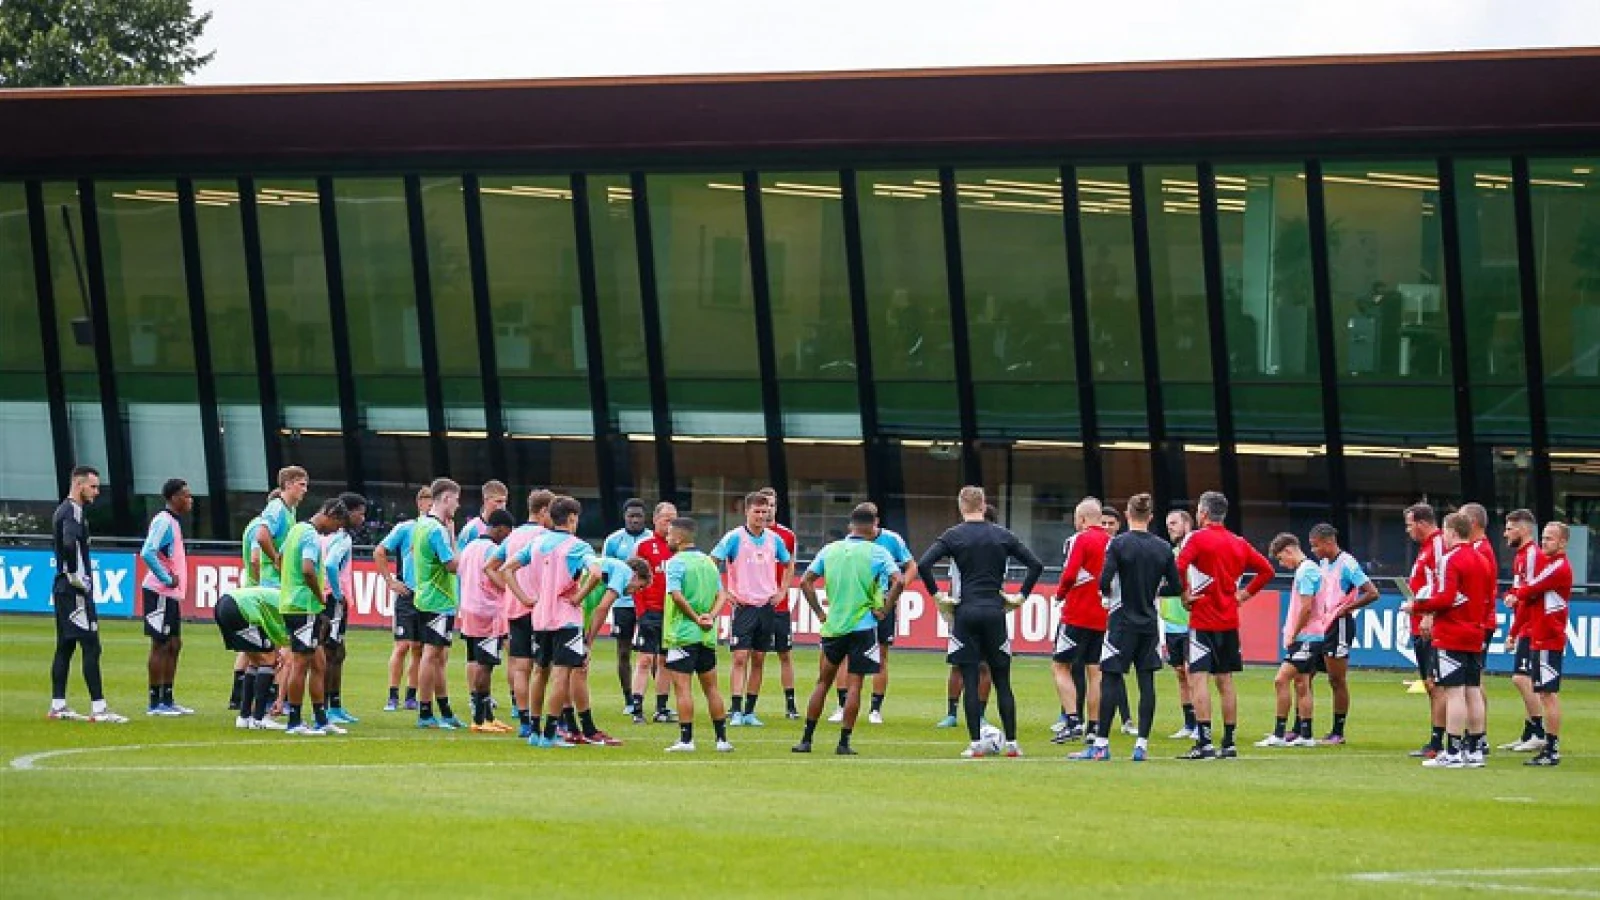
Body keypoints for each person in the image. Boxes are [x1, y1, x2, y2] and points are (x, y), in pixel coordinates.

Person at [918, 486, 1044, 759]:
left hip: (966, 611)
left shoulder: (953, 536)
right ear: (984, 505)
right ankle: (1012, 743)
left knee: (971, 677)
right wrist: (1021, 596)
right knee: (1002, 680)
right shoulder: (1001, 535)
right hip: (994, 610)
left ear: (961, 506)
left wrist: (938, 595)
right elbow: (1036, 564)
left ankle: (976, 744)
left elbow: (923, 564)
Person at [1070, 494, 1179, 761]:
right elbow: (1176, 586)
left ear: (1128, 516)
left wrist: (1107, 596)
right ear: (1150, 517)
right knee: (1146, 681)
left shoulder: (1118, 544)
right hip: (1149, 622)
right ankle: (1141, 744)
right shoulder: (1163, 548)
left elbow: (1104, 580)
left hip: (1121, 620)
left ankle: (1101, 745)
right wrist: (1154, 591)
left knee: (1111, 677)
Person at [794, 504, 904, 755]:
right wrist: (885, 609)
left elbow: (805, 581)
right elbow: (900, 580)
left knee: (823, 682)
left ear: (850, 526)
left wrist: (820, 613)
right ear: (873, 526)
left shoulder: (830, 550)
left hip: (835, 625)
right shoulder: (877, 552)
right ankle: (843, 743)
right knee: (855, 685)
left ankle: (806, 739)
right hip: (863, 626)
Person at [1175, 490, 1273, 760]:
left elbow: (1178, 566)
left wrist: (1184, 594)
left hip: (1202, 618)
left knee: (1198, 678)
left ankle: (1204, 742)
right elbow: (1267, 570)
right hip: (1228, 620)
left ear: (1203, 513)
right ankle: (1228, 743)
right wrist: (1244, 594)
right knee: (1226, 681)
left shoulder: (1197, 538)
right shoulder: (1238, 542)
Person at [501, 495, 600, 748]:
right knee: (561, 676)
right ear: (571, 519)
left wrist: (525, 598)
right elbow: (597, 573)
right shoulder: (578, 546)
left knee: (539, 672)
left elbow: (506, 570)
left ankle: (534, 731)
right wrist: (579, 596)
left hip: (540, 617)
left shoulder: (537, 544)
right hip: (566, 619)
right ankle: (550, 734)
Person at [1404, 512, 1495, 768]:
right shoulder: (1482, 559)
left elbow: (1445, 598)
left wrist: (1417, 606)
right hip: (1476, 630)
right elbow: (1488, 597)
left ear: (1453, 531)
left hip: (1452, 632)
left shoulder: (1450, 559)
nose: (1442, 536)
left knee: (1454, 692)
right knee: (1473, 690)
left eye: (1444, 532)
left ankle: (1453, 751)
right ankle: (1475, 750)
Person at [825, 501, 915, 725]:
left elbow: (911, 566)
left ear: (877, 522)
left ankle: (875, 709)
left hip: (881, 606)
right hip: (855, 606)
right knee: (845, 656)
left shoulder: (892, 540)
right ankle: (842, 704)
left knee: (881, 656)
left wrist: (895, 594)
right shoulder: (848, 544)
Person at [47, 465, 125, 723]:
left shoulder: (63, 509)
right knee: (92, 645)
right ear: (79, 485)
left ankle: (58, 705)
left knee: (65, 645)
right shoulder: (73, 511)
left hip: (62, 588)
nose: (96, 491)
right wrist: (76, 576)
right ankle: (99, 708)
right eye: (93, 486)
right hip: (73, 590)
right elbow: (69, 542)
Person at [713, 491, 794, 727]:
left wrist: (782, 591)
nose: (761, 515)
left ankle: (749, 711)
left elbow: (789, 564)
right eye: (756, 511)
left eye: (764, 511)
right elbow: (713, 562)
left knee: (759, 658)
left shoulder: (774, 539)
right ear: (746, 512)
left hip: (767, 606)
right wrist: (725, 592)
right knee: (740, 658)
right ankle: (736, 709)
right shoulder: (734, 538)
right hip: (744, 606)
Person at [660, 517, 735, 753]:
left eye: (670, 534)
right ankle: (722, 740)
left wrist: (694, 618)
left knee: (683, 688)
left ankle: (686, 740)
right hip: (706, 636)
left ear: (680, 537)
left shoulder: (675, 563)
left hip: (682, 634)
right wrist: (710, 618)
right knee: (712, 688)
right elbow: (722, 595)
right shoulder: (708, 563)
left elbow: (676, 595)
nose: (667, 538)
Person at [277, 497, 348, 736]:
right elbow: (308, 569)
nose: (334, 531)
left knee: (319, 662)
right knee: (301, 663)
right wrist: (319, 597)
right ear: (328, 514)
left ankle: (320, 718)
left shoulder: (296, 529)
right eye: (336, 524)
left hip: (296, 603)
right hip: (303, 607)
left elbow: (279, 558)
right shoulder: (309, 535)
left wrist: (288, 582)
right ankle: (295, 721)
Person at [486, 488, 554, 737]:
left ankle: (524, 719)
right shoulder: (547, 536)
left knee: (521, 666)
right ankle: (548, 719)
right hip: (540, 609)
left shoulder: (513, 537)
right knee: (547, 667)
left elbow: (490, 567)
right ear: (544, 511)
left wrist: (511, 590)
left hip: (515, 609)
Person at [567, 555, 652, 745]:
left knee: (565, 670)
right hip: (571, 615)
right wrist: (589, 642)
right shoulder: (622, 571)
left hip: (567, 612)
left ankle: (569, 726)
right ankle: (586, 729)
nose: (635, 592)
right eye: (640, 586)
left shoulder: (606, 565)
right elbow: (603, 608)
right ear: (635, 574)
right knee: (578, 670)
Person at [1508, 522, 1572, 767]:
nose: (1544, 542)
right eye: (1544, 538)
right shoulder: (1548, 565)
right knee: (1543, 692)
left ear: (1563, 542)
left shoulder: (1558, 567)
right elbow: (1531, 599)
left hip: (1549, 638)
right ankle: (1546, 743)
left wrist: (1516, 594)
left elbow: (1530, 588)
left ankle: (1551, 748)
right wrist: (1515, 631)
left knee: (1548, 695)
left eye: (1550, 539)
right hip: (1539, 637)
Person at [1308, 523, 1378, 744]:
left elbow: (1372, 592)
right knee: (1305, 674)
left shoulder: (1347, 563)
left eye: (1316, 545)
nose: (1314, 550)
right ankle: (1302, 728)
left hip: (1339, 626)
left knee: (1336, 679)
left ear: (1328, 542)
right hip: (1321, 625)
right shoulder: (1324, 563)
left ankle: (1338, 732)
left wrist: (1347, 609)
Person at [1051, 497, 1110, 745]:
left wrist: (1060, 594)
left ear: (1083, 519)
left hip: (1076, 613)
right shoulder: (1112, 542)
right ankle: (1094, 727)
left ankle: (1073, 721)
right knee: (1095, 671)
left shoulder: (1081, 539)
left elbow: (1070, 573)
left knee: (1060, 666)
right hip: (1102, 615)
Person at [1256, 533, 1324, 749]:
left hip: (1307, 637)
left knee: (1280, 680)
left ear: (1288, 551)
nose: (1282, 564)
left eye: (1280, 559)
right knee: (1302, 683)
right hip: (1310, 635)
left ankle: (1278, 733)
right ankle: (1306, 734)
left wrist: (1293, 633)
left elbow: (1306, 607)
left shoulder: (1306, 571)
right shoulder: (1309, 569)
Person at [936, 504, 996, 729]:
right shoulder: (959, 546)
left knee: (984, 666)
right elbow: (953, 580)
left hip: (987, 611)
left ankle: (979, 715)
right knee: (958, 663)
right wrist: (948, 608)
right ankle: (952, 713)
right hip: (962, 611)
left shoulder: (997, 547)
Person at [458, 508, 516, 734]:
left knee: (476, 660)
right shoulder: (493, 550)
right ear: (500, 529)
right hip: (489, 613)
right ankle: (480, 718)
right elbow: (500, 579)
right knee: (486, 665)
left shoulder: (470, 547)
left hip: (469, 610)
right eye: (507, 533)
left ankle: (487, 716)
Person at [412, 478, 464, 730]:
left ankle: (444, 710)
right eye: (456, 499)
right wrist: (455, 541)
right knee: (431, 655)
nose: (458, 504)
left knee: (439, 656)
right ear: (445, 498)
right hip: (437, 599)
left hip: (428, 597)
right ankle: (425, 711)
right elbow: (453, 565)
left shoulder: (423, 524)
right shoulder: (435, 530)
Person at [140, 477, 194, 716]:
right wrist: (165, 577)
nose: (190, 500)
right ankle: (155, 702)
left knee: (174, 644)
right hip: (159, 591)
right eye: (186, 495)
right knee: (160, 644)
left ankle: (168, 697)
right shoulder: (163, 521)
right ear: (174, 498)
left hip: (170, 594)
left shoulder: (173, 522)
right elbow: (147, 552)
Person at [375, 485, 430, 712]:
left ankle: (411, 695)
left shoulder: (440, 530)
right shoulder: (406, 528)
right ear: (419, 503)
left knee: (418, 648)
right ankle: (392, 695)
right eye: (427, 501)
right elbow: (379, 551)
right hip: (408, 594)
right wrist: (390, 581)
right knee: (402, 646)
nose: (430, 505)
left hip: (427, 597)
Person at [1404, 503, 1450, 759]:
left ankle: (1440, 741)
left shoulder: (1438, 545)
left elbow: (1442, 584)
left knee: (1437, 684)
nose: (1408, 531)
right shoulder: (1426, 548)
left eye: (1410, 525)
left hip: (1429, 624)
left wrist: (1430, 615)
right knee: (1431, 684)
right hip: (1419, 622)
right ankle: (1436, 741)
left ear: (1422, 523)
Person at [755, 487, 804, 720]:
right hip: (755, 604)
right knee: (755, 656)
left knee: (785, 654)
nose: (769, 511)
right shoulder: (747, 535)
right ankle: (745, 707)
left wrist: (782, 591)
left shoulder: (787, 536)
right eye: (765, 506)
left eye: (773, 506)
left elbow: (790, 566)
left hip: (779, 605)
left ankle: (791, 705)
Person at [630, 502, 680, 724]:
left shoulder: (678, 548)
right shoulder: (645, 547)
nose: (670, 523)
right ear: (655, 519)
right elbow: (633, 579)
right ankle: (637, 707)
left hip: (671, 613)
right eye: (666, 519)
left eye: (673, 519)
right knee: (644, 660)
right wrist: (641, 611)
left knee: (665, 660)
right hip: (649, 611)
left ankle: (661, 708)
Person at [1500, 509, 1546, 752]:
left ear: (1524, 529)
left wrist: (1513, 631)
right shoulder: (1521, 556)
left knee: (1521, 678)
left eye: (1509, 528)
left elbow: (1530, 595)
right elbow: (1521, 592)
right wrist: (1511, 596)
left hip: (1531, 626)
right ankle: (1529, 732)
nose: (1505, 533)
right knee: (1524, 678)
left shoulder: (1530, 555)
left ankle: (1539, 731)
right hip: (1525, 624)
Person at [320, 492, 366, 725]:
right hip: (332, 601)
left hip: (320, 597)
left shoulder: (323, 535)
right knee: (333, 652)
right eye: (360, 512)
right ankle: (330, 707)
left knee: (334, 651)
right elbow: (330, 565)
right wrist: (338, 594)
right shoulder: (343, 538)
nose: (362, 518)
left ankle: (332, 705)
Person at [217, 584, 290, 730]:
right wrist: (280, 699)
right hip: (241, 609)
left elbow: (272, 632)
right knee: (268, 660)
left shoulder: (285, 599)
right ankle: (260, 718)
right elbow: (287, 662)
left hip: (224, 604)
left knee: (256, 661)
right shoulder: (294, 612)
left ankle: (244, 717)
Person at [602, 498, 651, 714]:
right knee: (623, 652)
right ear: (624, 517)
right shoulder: (613, 541)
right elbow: (605, 571)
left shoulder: (651, 539)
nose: (634, 520)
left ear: (645, 517)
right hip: (622, 603)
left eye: (638, 516)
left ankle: (659, 702)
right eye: (631, 516)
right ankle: (629, 699)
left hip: (647, 603)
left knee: (653, 652)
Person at [1460, 501, 1499, 748]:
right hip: (1481, 621)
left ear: (1472, 523)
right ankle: (1477, 734)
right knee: (1473, 680)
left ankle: (1478, 735)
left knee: (1472, 682)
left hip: (1478, 622)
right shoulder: (1479, 548)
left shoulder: (1481, 551)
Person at [1160, 510, 1198, 739]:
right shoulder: (1170, 553)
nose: (1170, 527)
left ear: (1187, 523)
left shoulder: (1196, 552)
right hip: (1172, 623)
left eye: (1174, 523)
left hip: (1191, 622)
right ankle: (1189, 723)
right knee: (1180, 674)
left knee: (1192, 673)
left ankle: (1201, 722)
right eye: (1167, 524)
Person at [457, 480, 509, 551]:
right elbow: (461, 558)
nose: (503, 506)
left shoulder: (508, 528)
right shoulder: (471, 529)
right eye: (498, 501)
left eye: (505, 501)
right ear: (485, 500)